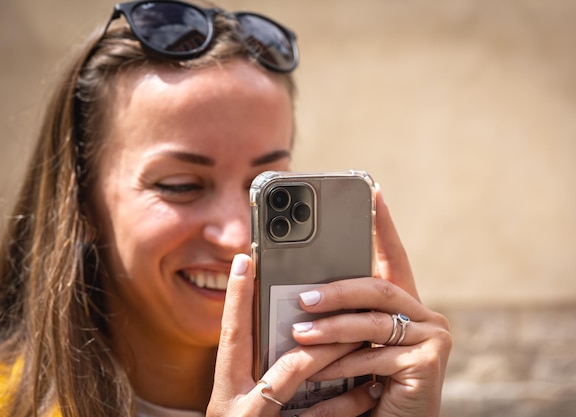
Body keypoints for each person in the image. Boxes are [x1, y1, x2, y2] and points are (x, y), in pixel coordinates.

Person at [0, 1, 452, 416]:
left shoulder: (349, 398)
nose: (239, 235)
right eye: (181, 186)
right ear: (81, 204)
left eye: (267, 190)